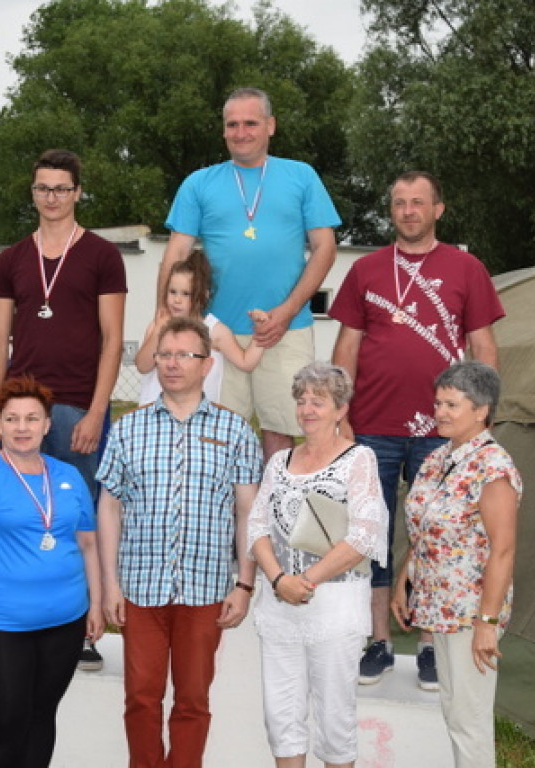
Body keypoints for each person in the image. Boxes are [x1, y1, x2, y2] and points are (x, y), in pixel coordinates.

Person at [329, 170, 505, 690]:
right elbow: (347, 345)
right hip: (373, 426)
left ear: (437, 210)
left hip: (443, 431)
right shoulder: (365, 270)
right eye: (400, 203)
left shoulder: (467, 268)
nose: (408, 211)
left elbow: (483, 345)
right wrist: (341, 414)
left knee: (439, 537)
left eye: (418, 202)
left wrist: (482, 416)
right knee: (372, 536)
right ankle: (379, 641)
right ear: (392, 210)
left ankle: (430, 646)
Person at [96, 316, 263, 768]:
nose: (171, 364)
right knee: (141, 698)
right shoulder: (128, 429)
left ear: (207, 365)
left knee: (192, 702)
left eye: (184, 355)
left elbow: (248, 512)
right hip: (140, 589)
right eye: (165, 355)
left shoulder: (235, 431)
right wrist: (110, 585)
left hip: (206, 590)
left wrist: (244, 584)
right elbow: (109, 508)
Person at [0, 148, 127, 671]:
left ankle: (84, 630)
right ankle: (22, 621)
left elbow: (113, 340)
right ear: (33, 193)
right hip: (22, 409)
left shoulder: (102, 256)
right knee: (19, 518)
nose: (52, 197)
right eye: (43, 188)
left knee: (79, 522)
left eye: (62, 188)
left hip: (76, 409)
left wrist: (97, 412)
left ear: (78, 192)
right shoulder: (10, 260)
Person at [162, 86, 341, 460]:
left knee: (282, 430)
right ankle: (229, 502)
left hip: (286, 329)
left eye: (250, 123)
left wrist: (287, 311)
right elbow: (176, 252)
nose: (240, 132)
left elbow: (325, 248)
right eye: (232, 124)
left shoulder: (301, 176)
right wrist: (166, 317)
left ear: (270, 126)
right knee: (216, 436)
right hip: (216, 331)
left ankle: (275, 500)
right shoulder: (199, 182)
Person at [0, 375, 105, 768]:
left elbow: (88, 544)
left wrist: (96, 604)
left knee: (41, 715)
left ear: (47, 425)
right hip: (1, 624)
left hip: (65, 620)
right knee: (7, 722)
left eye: (32, 418)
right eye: (12, 419)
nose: (22, 428)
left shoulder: (68, 477)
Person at [247, 362, 389, 768]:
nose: (307, 409)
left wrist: (305, 582)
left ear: (340, 409)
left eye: (319, 401)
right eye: (302, 400)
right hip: (279, 606)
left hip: (335, 607)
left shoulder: (359, 459)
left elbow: (363, 535)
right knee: (281, 718)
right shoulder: (279, 461)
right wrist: (279, 580)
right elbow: (256, 525)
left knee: (334, 721)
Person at [391, 361, 521, 768]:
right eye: (438, 403)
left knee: (469, 720)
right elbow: (423, 528)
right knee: (454, 712)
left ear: (481, 410)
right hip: (437, 605)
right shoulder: (438, 458)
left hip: (470, 611)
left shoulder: (493, 467)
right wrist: (404, 581)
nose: (440, 412)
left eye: (451, 405)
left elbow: (503, 549)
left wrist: (487, 622)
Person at [136, 248, 265, 405]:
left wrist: (260, 329)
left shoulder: (214, 331)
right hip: (154, 413)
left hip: (200, 415)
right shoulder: (157, 326)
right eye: (173, 292)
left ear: (203, 295)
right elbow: (142, 366)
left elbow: (245, 362)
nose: (177, 300)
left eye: (186, 294)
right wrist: (158, 331)